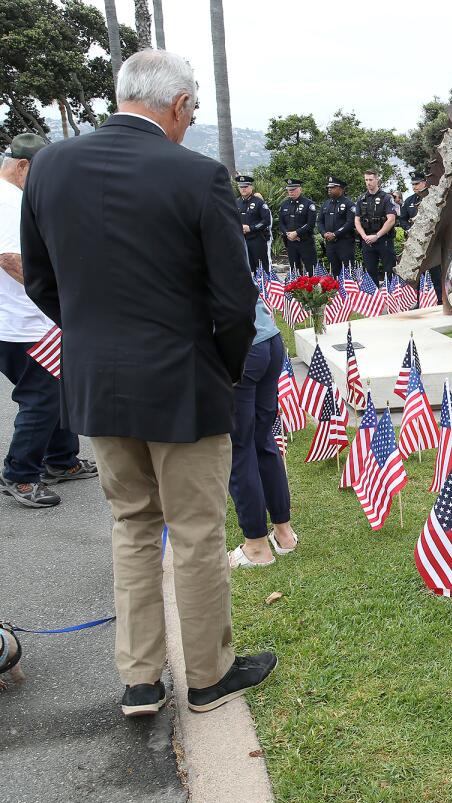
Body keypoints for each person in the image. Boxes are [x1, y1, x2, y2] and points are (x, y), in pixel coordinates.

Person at [20, 50, 276, 717]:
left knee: (132, 524)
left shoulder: (48, 166)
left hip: (98, 382)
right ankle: (209, 672)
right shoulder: (197, 175)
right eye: (191, 112)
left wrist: (93, 339)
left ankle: (139, 678)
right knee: (194, 530)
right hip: (184, 381)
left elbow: (44, 280)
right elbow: (233, 300)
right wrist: (221, 367)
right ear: (179, 105)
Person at [0, 133, 97, 509]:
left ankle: (62, 460)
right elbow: (11, 258)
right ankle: (20, 474)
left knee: (59, 388)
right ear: (23, 167)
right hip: (23, 322)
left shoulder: (12, 197)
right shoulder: (10, 201)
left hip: (24, 320)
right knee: (42, 397)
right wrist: (57, 293)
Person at [227, 293, 298, 568]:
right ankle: (284, 533)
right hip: (267, 337)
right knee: (262, 440)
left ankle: (256, 546)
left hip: (241, 347)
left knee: (240, 448)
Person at [397, 171, 442, 293]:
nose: (414, 187)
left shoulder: (431, 197)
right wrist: (409, 229)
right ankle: (419, 301)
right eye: (413, 184)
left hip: (432, 241)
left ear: (424, 183)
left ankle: (439, 300)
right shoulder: (409, 200)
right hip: (416, 243)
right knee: (417, 274)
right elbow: (402, 219)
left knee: (435, 272)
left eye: (417, 184)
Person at [354, 169, 397, 284]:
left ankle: (391, 299)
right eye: (366, 180)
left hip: (384, 240)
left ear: (377, 180)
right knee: (370, 271)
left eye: (371, 180)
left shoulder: (387, 198)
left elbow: (391, 220)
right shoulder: (361, 199)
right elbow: (357, 221)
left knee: (389, 271)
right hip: (367, 240)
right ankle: (374, 300)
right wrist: (364, 236)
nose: (368, 182)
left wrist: (377, 236)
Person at [318, 175, 356, 277]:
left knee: (348, 273)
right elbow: (320, 222)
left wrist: (335, 234)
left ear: (341, 189)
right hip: (330, 244)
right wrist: (324, 233)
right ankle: (337, 293)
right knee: (335, 272)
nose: (329, 190)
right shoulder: (326, 204)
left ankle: (349, 293)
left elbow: (350, 223)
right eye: (328, 188)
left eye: (332, 187)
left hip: (345, 243)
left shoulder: (349, 204)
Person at [279, 178, 317, 274]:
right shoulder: (284, 205)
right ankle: (296, 289)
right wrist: (288, 234)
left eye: (293, 189)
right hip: (291, 243)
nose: (291, 192)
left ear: (300, 189)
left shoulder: (308, 204)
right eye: (289, 190)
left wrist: (296, 233)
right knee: (295, 270)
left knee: (311, 270)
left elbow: (310, 224)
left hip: (305, 242)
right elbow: (281, 223)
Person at [235, 174, 271, 273]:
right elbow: (232, 219)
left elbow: (266, 221)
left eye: (245, 187)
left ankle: (263, 288)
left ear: (251, 187)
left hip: (257, 239)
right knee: (247, 269)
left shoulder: (259, 203)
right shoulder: (236, 203)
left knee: (261, 269)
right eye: (241, 187)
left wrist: (251, 228)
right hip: (242, 240)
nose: (243, 189)